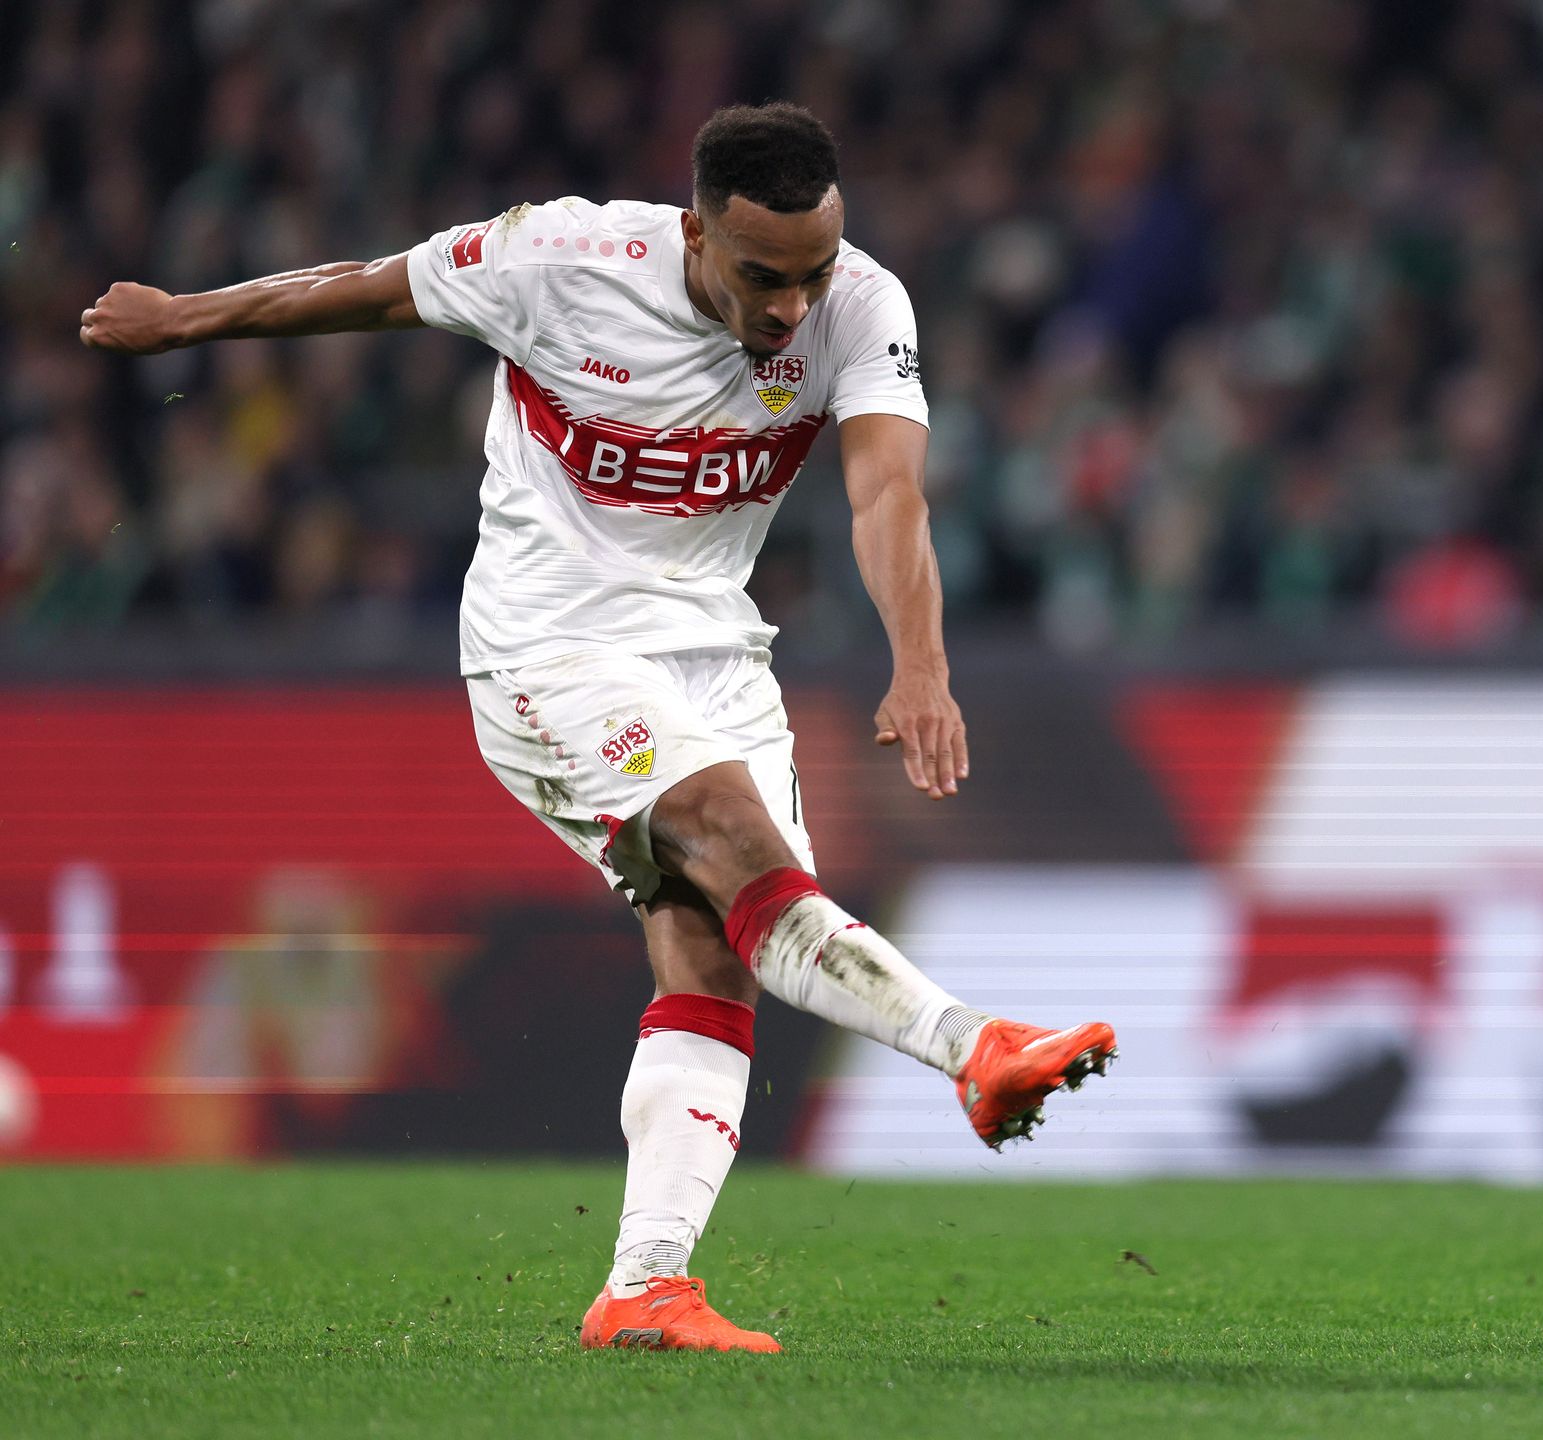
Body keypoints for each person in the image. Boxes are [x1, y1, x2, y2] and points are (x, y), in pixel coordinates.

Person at [79, 103, 1117, 1350]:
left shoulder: (861, 305)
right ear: (696, 232)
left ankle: (645, 1285)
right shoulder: (559, 260)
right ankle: (972, 1047)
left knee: (717, 949)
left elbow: (888, 489)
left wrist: (921, 666)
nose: (791, 306)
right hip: (546, 646)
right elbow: (371, 288)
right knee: (733, 840)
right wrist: (182, 319)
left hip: (715, 655)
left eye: (812, 271)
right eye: (763, 276)